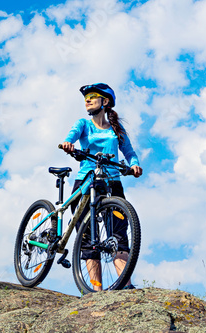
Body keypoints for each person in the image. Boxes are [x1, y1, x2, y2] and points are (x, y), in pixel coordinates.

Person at [61, 83, 143, 291]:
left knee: (118, 234)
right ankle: (95, 291)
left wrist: (134, 164)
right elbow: (70, 136)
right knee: (88, 235)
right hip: (87, 181)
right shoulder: (83, 124)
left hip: (112, 183)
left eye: (93, 96)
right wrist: (68, 144)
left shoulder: (116, 129)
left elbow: (129, 152)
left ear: (105, 102)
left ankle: (125, 284)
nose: (87, 100)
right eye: (86, 97)